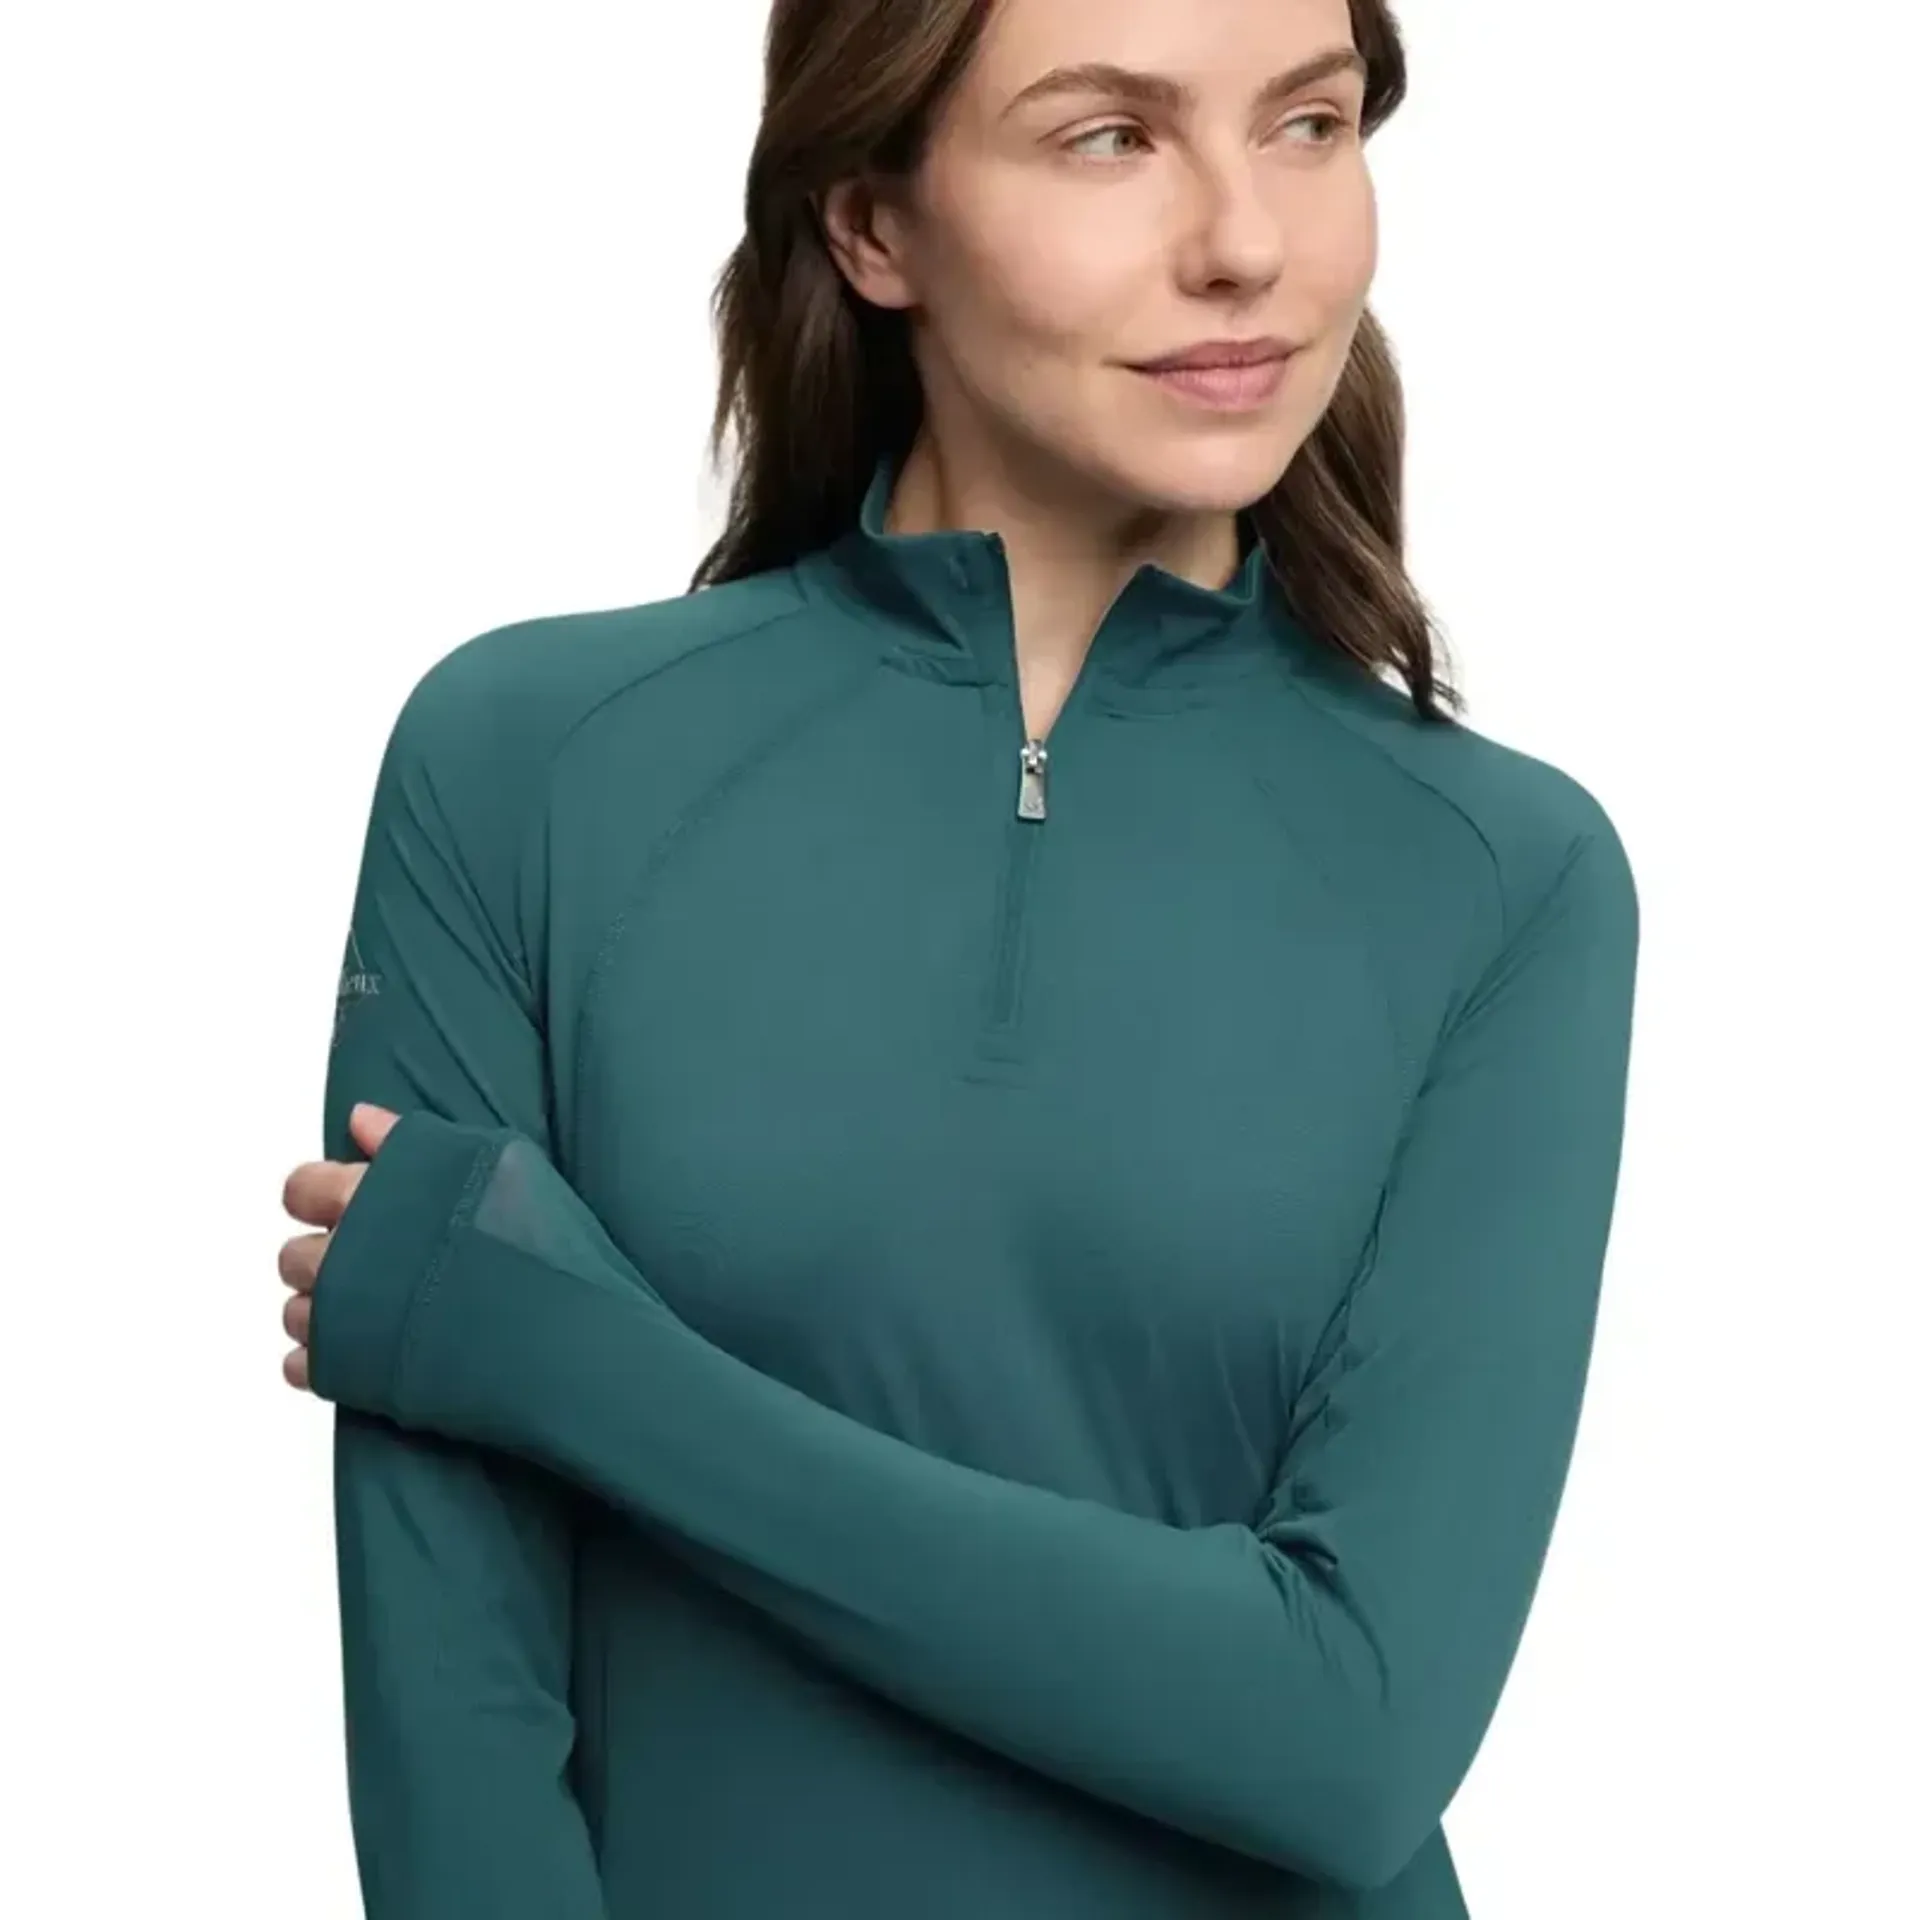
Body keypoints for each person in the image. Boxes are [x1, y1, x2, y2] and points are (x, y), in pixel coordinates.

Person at [274, 0, 1640, 1914]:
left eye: (1310, 124)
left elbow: (1348, 1736)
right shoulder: (527, 767)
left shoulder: (1503, 875)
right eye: (1111, 137)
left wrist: (579, 1368)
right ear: (871, 223)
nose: (1247, 239)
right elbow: (456, 1745)